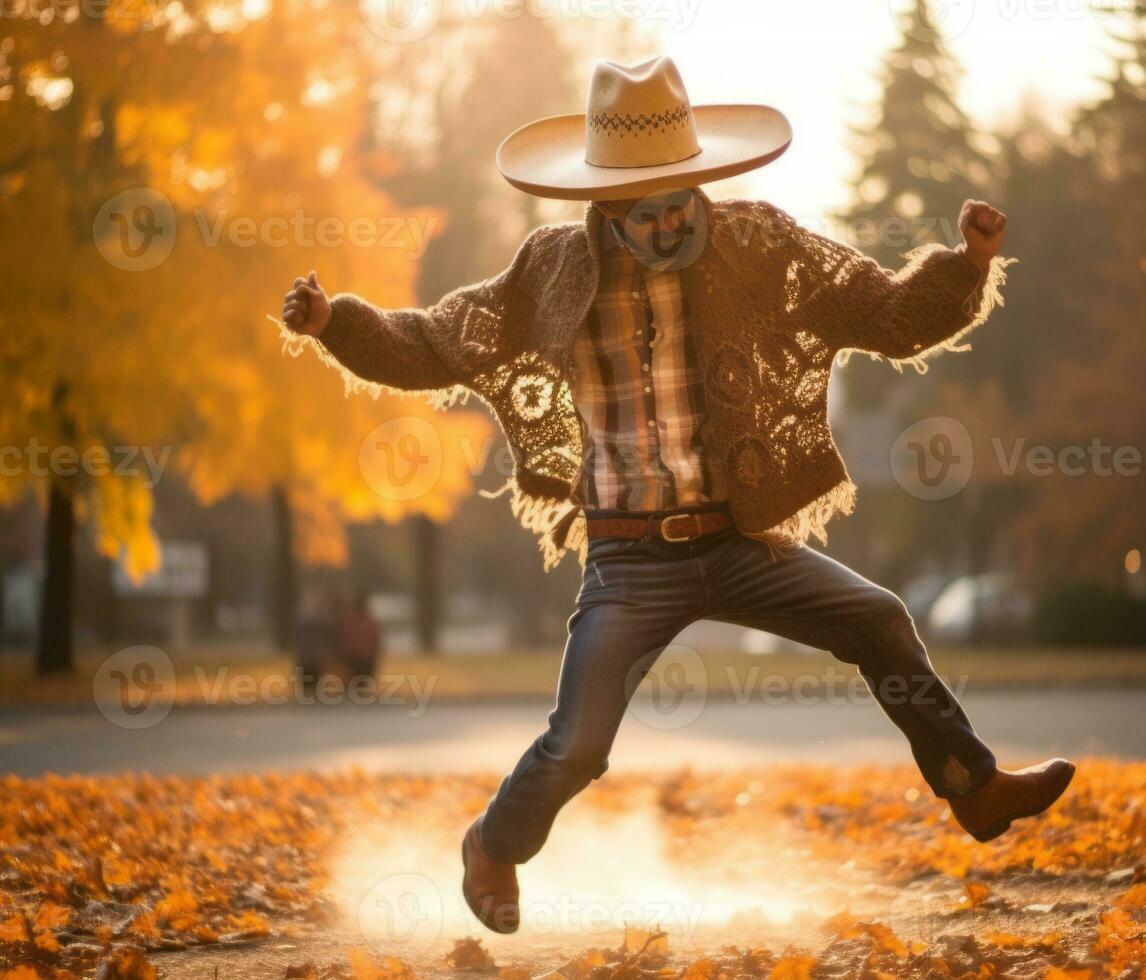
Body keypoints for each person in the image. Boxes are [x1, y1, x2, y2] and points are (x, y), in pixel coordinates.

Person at [279, 57, 1075, 934]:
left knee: (879, 617)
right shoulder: (548, 271)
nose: (668, 223)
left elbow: (881, 312)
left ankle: (971, 785)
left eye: (681, 201)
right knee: (577, 747)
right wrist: (337, 323)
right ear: (605, 204)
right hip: (628, 557)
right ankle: (493, 844)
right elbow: (434, 343)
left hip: (740, 542)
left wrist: (965, 264)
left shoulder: (760, 245)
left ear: (703, 182)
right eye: (645, 210)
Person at [339, 586, 381, 686]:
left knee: (354, 683)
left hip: (354, 657)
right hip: (365, 657)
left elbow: (346, 639)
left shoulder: (350, 620)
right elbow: (375, 639)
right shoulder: (370, 621)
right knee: (361, 684)